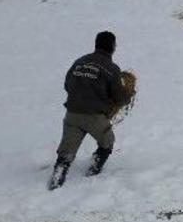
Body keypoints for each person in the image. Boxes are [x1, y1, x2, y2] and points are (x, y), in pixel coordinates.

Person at [48, 31, 129, 190]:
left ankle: (58, 174)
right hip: (94, 117)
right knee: (107, 142)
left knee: (67, 150)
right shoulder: (111, 68)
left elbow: (67, 84)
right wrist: (126, 97)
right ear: (112, 47)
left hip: (72, 114)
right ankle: (94, 168)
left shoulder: (79, 62)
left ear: (96, 44)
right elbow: (119, 96)